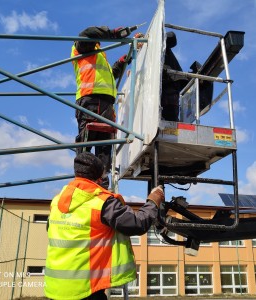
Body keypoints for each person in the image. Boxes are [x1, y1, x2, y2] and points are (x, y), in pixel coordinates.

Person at [44, 152, 165, 300]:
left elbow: (52, 230)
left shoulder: (56, 201)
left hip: (55, 288)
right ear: (99, 176)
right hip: (86, 290)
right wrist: (153, 201)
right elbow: (137, 224)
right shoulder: (102, 203)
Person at [72, 26, 134, 188]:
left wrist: (123, 60)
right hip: (90, 100)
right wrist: (114, 34)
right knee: (86, 145)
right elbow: (87, 33)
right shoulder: (82, 47)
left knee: (105, 147)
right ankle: (83, 184)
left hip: (105, 103)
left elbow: (111, 75)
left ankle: (102, 186)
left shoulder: (100, 56)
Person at [161, 31, 189, 122]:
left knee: (171, 117)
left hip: (171, 83)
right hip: (164, 86)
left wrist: (159, 37)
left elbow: (172, 36)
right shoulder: (144, 57)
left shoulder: (161, 46)